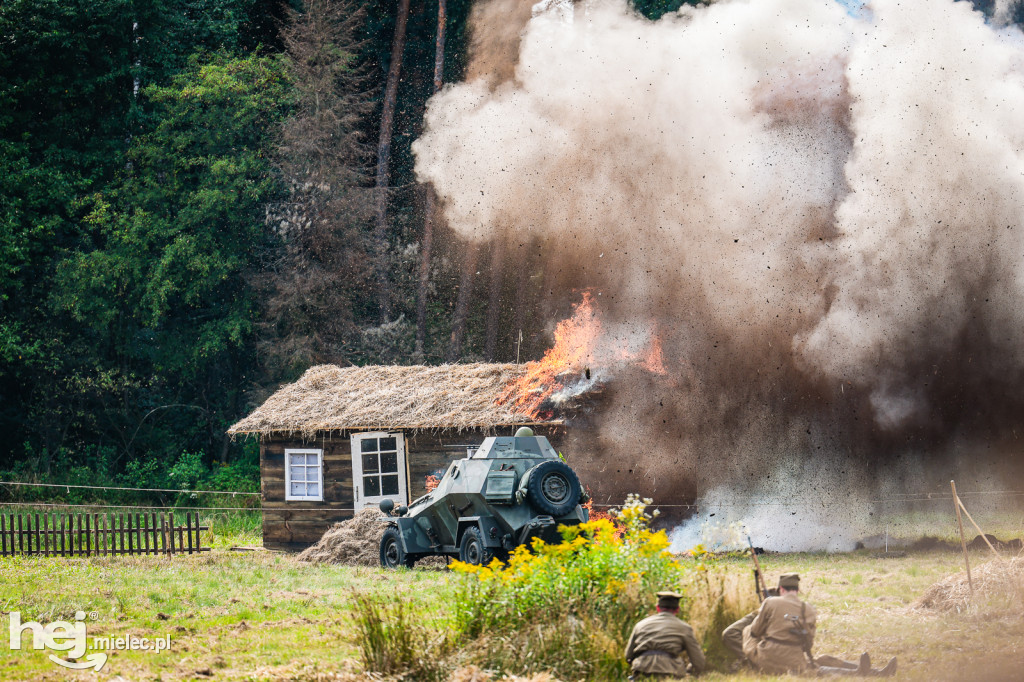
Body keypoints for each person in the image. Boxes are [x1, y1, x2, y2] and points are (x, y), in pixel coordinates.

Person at [725, 573, 897, 677]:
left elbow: (754, 632)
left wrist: (761, 613)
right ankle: (864, 672)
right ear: (797, 590)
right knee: (818, 666)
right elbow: (809, 643)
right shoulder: (808, 609)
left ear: (781, 590)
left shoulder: (770, 604)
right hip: (792, 658)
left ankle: (872, 671)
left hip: (769, 658)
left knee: (822, 661)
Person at [625, 590, 706, 679]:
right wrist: (690, 671)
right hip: (670, 671)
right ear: (677, 609)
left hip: (641, 670)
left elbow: (628, 655)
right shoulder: (684, 628)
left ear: (657, 608)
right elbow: (698, 661)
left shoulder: (640, 625)